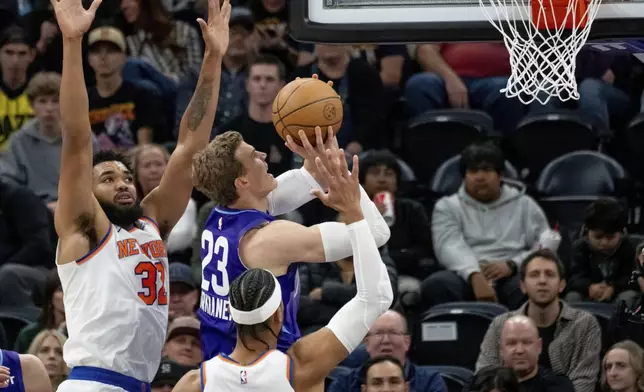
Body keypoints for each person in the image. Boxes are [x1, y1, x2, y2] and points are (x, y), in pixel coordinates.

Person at [50, 0, 231, 391]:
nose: (123, 183)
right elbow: (78, 137)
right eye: (108, 178)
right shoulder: (83, 229)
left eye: (127, 176)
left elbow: (190, 146)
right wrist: (72, 42)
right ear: (88, 192)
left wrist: (213, 59)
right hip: (92, 382)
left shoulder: (151, 223)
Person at [175, 147, 394, 391]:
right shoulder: (270, 240)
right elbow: (377, 233)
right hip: (275, 364)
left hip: (219, 366)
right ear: (278, 312)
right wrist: (351, 202)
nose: (264, 155)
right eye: (254, 156)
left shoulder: (217, 217)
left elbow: (299, 182)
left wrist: (323, 156)